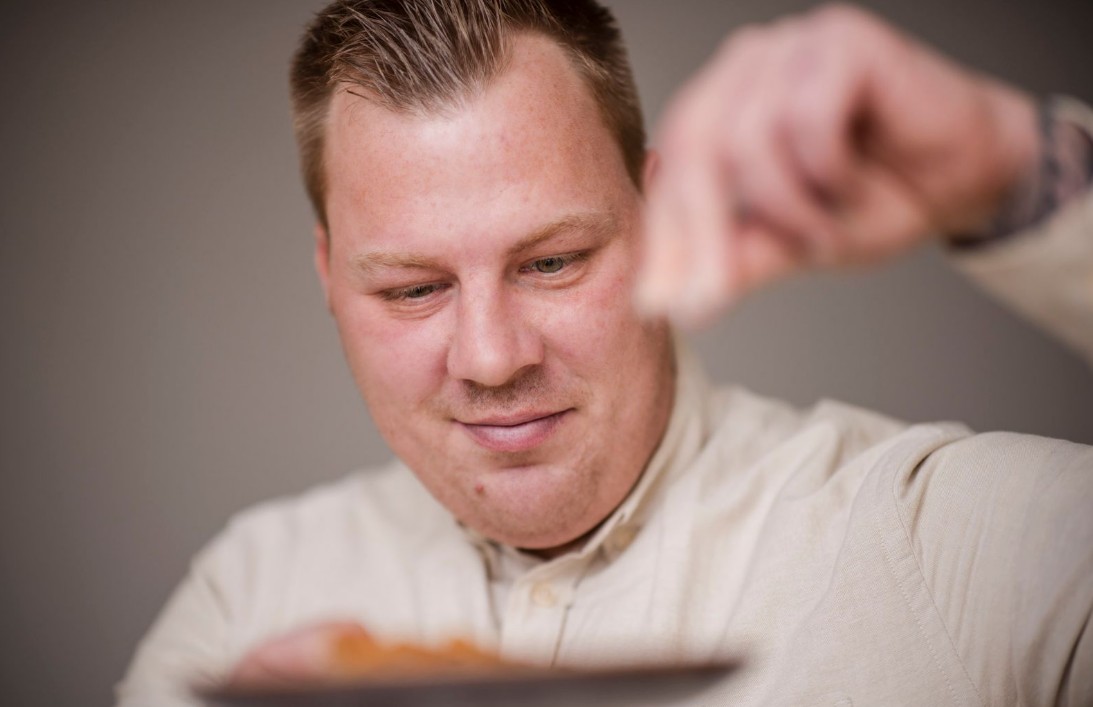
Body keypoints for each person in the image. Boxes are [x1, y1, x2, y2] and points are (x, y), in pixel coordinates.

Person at [116, 1, 1093, 705]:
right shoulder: (247, 593)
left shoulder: (953, 545)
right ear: (328, 274)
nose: (491, 357)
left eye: (551, 261)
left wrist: (1013, 170)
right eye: (413, 287)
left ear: (654, 212)